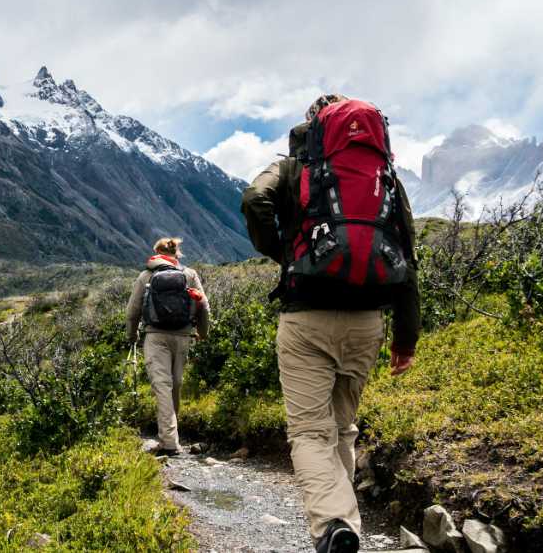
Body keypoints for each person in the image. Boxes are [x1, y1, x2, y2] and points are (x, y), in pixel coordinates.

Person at [241, 94, 420, 553]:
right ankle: (348, 528)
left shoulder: (295, 168)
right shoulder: (385, 178)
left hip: (307, 317)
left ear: (314, 126)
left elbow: (254, 199)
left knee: (308, 431)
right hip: (368, 321)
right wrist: (406, 339)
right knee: (342, 427)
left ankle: (333, 524)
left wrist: (286, 253)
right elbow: (406, 253)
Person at [126, 237, 210, 457]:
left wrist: (132, 335)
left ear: (156, 252)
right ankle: (171, 437)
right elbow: (203, 305)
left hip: (155, 337)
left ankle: (169, 442)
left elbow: (133, 310)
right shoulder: (189, 274)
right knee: (176, 384)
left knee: (162, 386)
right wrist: (203, 333)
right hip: (183, 336)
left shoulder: (146, 275)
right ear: (177, 253)